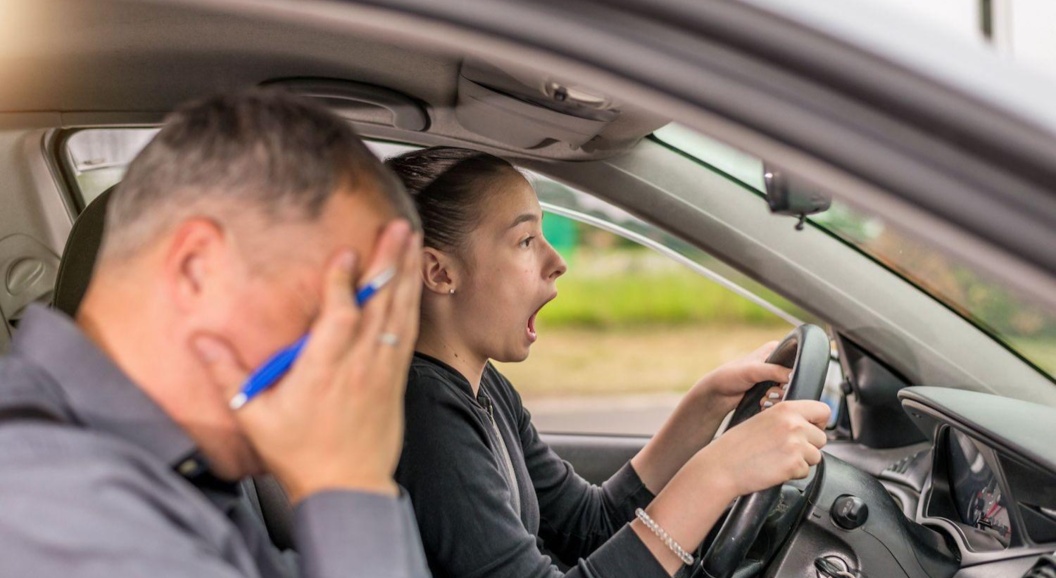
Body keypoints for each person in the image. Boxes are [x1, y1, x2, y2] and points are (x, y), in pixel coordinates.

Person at [0, 90, 430, 578]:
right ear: (197, 269)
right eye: (335, 314)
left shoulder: (179, 472)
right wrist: (349, 485)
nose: (355, 366)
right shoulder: (46, 500)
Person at [386, 147, 831, 578]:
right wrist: (719, 474)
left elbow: (589, 525)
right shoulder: (426, 413)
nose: (557, 262)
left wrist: (709, 401)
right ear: (440, 272)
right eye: (525, 240)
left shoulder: (483, 388)